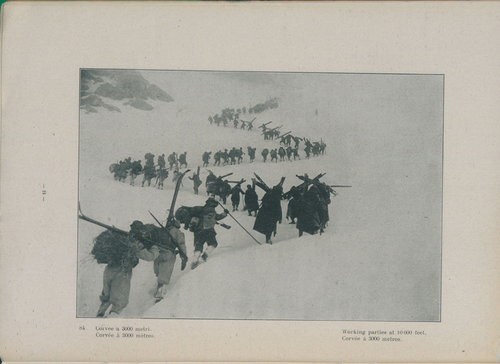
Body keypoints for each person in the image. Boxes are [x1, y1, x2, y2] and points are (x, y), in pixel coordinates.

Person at [96, 223, 159, 318]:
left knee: (106, 297)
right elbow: (150, 256)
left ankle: (99, 316)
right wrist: (154, 247)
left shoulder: (122, 238)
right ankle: (111, 321)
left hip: (109, 270)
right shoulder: (134, 243)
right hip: (122, 272)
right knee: (120, 302)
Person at [152, 220, 188, 301]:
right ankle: (160, 294)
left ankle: (158, 286)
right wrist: (184, 258)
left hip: (157, 253)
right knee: (165, 272)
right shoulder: (178, 232)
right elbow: (181, 244)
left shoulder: (162, 230)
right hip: (168, 253)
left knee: (159, 271)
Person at [190, 198, 229, 269]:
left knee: (198, 246)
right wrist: (225, 213)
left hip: (198, 231)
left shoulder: (200, 210)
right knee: (213, 244)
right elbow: (217, 217)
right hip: (208, 230)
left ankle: (195, 259)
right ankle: (203, 257)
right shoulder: (211, 210)